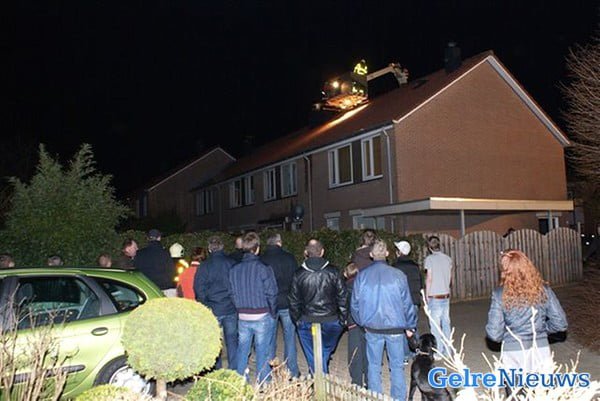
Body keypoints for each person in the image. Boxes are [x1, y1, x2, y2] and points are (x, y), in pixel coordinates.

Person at [351, 240, 417, 401]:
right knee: (397, 366)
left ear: (371, 255)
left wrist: (362, 322)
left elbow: (354, 304)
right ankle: (398, 398)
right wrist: (410, 326)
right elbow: (407, 304)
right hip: (395, 328)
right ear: (387, 254)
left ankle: (375, 397)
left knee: (374, 366)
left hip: (372, 327)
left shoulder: (362, 276)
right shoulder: (398, 275)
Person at [486, 250, 567, 374]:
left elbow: (494, 333)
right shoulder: (544, 290)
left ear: (504, 271)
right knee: (541, 386)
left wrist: (509, 336)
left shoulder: (499, 294)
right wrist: (540, 331)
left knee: (516, 386)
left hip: (513, 352)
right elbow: (560, 323)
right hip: (541, 349)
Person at [289, 239, 346, 374]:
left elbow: (293, 301)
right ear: (322, 252)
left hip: (307, 320)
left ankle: (319, 379)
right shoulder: (334, 271)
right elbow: (342, 297)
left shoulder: (298, 274)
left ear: (306, 252)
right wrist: (343, 319)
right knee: (322, 353)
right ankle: (321, 380)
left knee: (316, 356)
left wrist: (297, 320)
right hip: (331, 320)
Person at [228, 232, 278, 383]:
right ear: (257, 248)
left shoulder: (234, 269)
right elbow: (272, 292)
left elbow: (231, 293)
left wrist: (239, 308)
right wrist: (272, 312)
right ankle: (264, 383)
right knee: (263, 351)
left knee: (242, 350)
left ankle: (241, 381)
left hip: (243, 316)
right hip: (262, 314)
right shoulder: (264, 268)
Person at [259, 233, 300, 377]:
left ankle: (270, 370)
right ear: (279, 242)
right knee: (290, 337)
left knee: (269, 338)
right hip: (287, 302)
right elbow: (295, 280)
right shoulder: (289, 258)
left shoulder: (262, 259)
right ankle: (292, 370)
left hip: (269, 304)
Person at [195, 237, 238, 370]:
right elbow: (237, 286)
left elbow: (198, 288)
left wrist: (206, 303)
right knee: (232, 341)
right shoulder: (232, 263)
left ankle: (217, 370)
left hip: (213, 308)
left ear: (209, 249)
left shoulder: (204, 266)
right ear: (222, 247)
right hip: (230, 308)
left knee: (215, 342)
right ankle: (234, 370)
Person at [393, 240, 423, 363]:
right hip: (414, 300)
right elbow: (420, 283)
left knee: (402, 329)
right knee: (413, 327)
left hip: (401, 302)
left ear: (399, 252)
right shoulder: (415, 266)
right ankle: (416, 351)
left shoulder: (395, 267)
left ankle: (405, 356)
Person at [424, 235, 453, 359]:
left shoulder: (429, 259)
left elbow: (429, 278)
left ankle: (439, 351)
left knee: (435, 326)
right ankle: (448, 351)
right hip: (445, 295)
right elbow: (450, 278)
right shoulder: (448, 259)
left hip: (434, 296)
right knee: (446, 324)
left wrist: (427, 295)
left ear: (429, 247)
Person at [344, 262, 367, 387]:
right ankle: (369, 379)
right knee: (366, 351)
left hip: (353, 322)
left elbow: (344, 305)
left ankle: (357, 381)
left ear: (346, 274)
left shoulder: (345, 287)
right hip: (365, 322)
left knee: (355, 352)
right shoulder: (365, 285)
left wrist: (344, 320)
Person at [134, 229, 176, 296]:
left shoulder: (140, 253)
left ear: (148, 238)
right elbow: (171, 271)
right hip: (165, 288)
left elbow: (137, 272)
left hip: (147, 289)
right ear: (159, 238)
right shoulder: (165, 253)